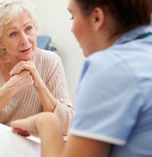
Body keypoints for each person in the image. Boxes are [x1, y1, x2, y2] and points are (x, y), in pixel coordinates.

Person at [11, 0, 152, 156]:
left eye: (72, 17)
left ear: (97, 18)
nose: (72, 29)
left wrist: (46, 122)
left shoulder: (110, 68)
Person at [0, 0, 74, 133]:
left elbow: (67, 126)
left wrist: (40, 85)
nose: (25, 40)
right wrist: (11, 88)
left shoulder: (51, 61)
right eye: (14, 34)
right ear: (0, 42)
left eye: (29, 29)